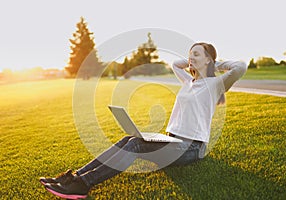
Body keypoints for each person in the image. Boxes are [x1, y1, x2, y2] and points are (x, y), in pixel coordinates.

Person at [40, 42, 247, 199]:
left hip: (192, 148)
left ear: (209, 59)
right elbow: (176, 64)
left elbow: (240, 67)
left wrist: (213, 64)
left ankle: (84, 184)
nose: (189, 58)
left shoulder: (215, 85)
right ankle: (74, 177)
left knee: (136, 145)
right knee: (128, 139)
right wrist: (197, 61)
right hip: (172, 141)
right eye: (189, 54)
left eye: (196, 54)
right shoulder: (189, 82)